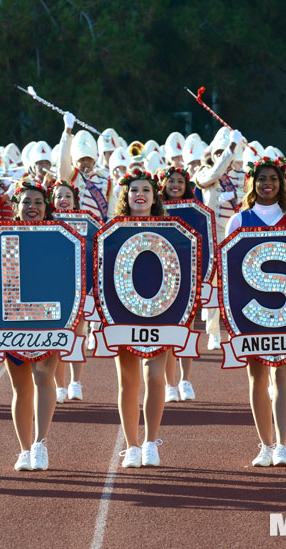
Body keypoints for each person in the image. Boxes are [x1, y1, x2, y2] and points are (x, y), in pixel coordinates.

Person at [224, 157, 286, 467]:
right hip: (250, 310)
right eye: (261, 179)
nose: (267, 183)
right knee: (257, 377)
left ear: (281, 183)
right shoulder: (238, 221)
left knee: (283, 375)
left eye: (273, 178)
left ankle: (283, 445)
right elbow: (230, 269)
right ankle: (265, 444)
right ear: (252, 183)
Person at [111, 170, 171, 468]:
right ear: (126, 195)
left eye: (146, 190)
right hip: (123, 312)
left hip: (160, 311)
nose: (140, 194)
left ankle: (151, 442)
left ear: (154, 196)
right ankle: (132, 445)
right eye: (134, 189)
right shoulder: (113, 229)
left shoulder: (170, 229)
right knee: (128, 382)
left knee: (155, 377)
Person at [7, 180, 61, 471]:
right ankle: (23, 448)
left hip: (49, 316)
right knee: (20, 387)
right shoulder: (2, 236)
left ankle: (40, 443)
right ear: (16, 207)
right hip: (12, 319)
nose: (32, 207)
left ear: (46, 207)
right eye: (26, 202)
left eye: (38, 202)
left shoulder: (59, 236)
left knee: (43, 379)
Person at [194, 128, 244, 350]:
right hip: (213, 236)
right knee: (213, 286)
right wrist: (231, 149)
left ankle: (239, 328)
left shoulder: (242, 175)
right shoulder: (203, 171)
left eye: (229, 151)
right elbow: (212, 176)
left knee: (239, 284)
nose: (224, 155)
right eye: (221, 152)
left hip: (236, 235)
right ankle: (214, 333)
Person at [158, 166, 198, 402]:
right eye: (171, 181)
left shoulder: (194, 212)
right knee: (167, 333)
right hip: (162, 279)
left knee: (187, 330)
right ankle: (169, 384)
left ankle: (185, 380)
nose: (175, 185)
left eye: (180, 182)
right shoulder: (156, 210)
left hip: (186, 277)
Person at [49, 181, 87, 403]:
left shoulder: (85, 223)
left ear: (75, 201)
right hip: (52, 288)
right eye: (58, 196)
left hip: (77, 287)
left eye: (67, 196)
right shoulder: (46, 223)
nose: (63, 200)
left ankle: (76, 382)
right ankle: (59, 386)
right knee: (56, 337)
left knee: (77, 336)